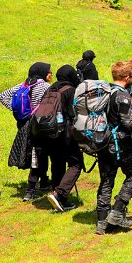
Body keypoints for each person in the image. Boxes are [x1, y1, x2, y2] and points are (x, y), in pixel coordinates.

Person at [96, 61, 132, 235]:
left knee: (106, 179)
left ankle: (101, 221)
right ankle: (118, 211)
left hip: (102, 141)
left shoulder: (103, 92)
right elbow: (128, 122)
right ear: (127, 78)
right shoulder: (123, 96)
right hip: (120, 142)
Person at [0, 62, 54, 201]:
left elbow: (3, 96)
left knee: (38, 152)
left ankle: (44, 181)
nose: (51, 73)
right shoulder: (45, 87)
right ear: (42, 72)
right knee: (38, 154)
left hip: (24, 124)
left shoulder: (25, 84)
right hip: (38, 125)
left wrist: (17, 109)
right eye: (49, 71)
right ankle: (30, 190)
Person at [46, 65, 85, 213]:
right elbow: (73, 114)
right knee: (76, 163)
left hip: (50, 133)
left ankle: (57, 196)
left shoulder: (51, 89)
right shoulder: (70, 90)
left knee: (57, 162)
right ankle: (59, 193)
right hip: (65, 134)